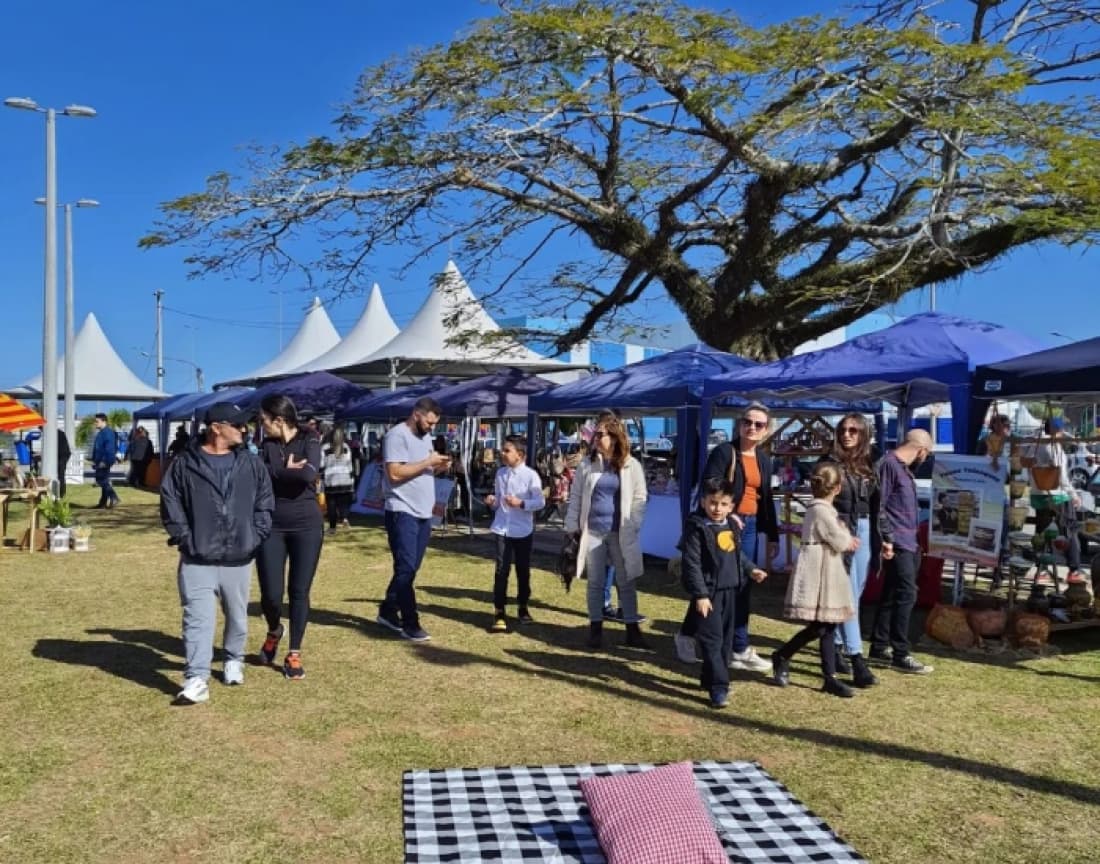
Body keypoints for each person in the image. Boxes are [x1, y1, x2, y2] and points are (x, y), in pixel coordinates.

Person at [160, 402, 274, 705]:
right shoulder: (184, 464)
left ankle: (233, 658)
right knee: (197, 618)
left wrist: (256, 534)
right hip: (197, 557)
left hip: (239, 555)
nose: (244, 429)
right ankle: (197, 678)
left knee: (237, 616)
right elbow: (170, 500)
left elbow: (265, 501)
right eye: (237, 425)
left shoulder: (251, 463)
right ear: (216, 428)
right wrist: (183, 536)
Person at [675, 402, 778, 671]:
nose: (752, 428)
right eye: (747, 422)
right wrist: (727, 512)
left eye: (759, 424)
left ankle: (739, 647)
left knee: (742, 586)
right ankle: (687, 635)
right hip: (724, 524)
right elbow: (711, 483)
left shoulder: (764, 460)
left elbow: (765, 498)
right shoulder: (725, 452)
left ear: (767, 429)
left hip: (751, 525)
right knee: (713, 585)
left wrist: (773, 535)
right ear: (739, 424)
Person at [770, 463, 861, 698]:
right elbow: (838, 539)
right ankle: (783, 655)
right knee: (822, 626)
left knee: (827, 626)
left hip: (825, 567)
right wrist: (847, 539)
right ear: (838, 488)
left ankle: (827, 676)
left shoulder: (820, 510)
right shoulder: (822, 511)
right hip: (821, 568)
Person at [679, 477, 767, 709]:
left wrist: (751, 570)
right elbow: (692, 564)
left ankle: (708, 679)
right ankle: (719, 687)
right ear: (704, 501)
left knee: (725, 643)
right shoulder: (697, 528)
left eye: (723, 504)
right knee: (712, 640)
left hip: (732, 593)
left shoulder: (732, 526)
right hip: (709, 594)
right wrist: (700, 595)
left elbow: (738, 556)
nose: (717, 508)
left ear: (731, 505)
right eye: (712, 503)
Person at [564, 412, 649, 650]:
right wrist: (572, 527)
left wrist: (633, 523)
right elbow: (576, 497)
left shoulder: (631, 465)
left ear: (614, 436)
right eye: (595, 434)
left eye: (600, 434)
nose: (595, 439)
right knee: (596, 583)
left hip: (621, 532)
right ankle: (595, 629)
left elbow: (640, 498)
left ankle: (632, 629)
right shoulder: (586, 465)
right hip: (593, 532)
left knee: (626, 580)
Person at [256, 394, 324, 680]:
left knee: (299, 592)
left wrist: (277, 474)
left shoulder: (311, 439)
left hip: (307, 526)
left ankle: (294, 653)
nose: (262, 426)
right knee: (271, 594)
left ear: (279, 420)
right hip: (272, 526)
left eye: (264, 421)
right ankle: (274, 630)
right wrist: (284, 471)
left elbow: (307, 475)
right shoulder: (266, 445)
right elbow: (259, 475)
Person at [377, 397, 452, 642]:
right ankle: (410, 622)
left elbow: (421, 468)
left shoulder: (425, 438)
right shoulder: (396, 436)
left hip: (423, 511)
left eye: (434, 424)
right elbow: (395, 473)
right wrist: (428, 462)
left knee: (410, 567)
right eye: (429, 422)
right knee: (406, 567)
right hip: (401, 509)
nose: (432, 428)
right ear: (417, 414)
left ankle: (388, 610)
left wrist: (438, 466)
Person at [818, 413, 880, 688]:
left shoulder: (871, 461)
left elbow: (880, 502)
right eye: (843, 429)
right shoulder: (830, 462)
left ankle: (840, 646)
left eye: (853, 430)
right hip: (841, 527)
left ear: (863, 433)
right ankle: (857, 658)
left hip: (865, 527)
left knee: (857, 590)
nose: (847, 434)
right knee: (847, 596)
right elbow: (820, 499)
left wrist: (885, 537)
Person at [869, 428, 935, 674]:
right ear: (921, 450)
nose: (925, 460)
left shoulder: (902, 468)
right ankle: (901, 652)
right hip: (897, 541)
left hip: (909, 540)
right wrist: (887, 538)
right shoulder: (888, 465)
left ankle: (879, 645)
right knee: (907, 593)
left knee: (892, 592)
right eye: (926, 455)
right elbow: (880, 506)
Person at [484, 436, 545, 632]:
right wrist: (492, 501)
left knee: (522, 570)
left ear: (520, 455)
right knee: (501, 570)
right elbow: (498, 503)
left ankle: (523, 607)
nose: (502, 453)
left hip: (522, 530)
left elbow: (540, 502)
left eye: (507, 450)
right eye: (502, 450)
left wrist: (522, 503)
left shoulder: (531, 476)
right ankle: (499, 610)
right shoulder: (501, 473)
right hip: (502, 528)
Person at [1033, 416, 1084, 584]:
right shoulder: (1054, 448)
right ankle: (1074, 570)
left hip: (1038, 496)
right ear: (1057, 431)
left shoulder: (1034, 445)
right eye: (1061, 431)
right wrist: (1074, 495)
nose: (1062, 435)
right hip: (1057, 496)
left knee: (1043, 534)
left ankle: (1042, 571)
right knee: (1070, 531)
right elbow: (1061, 477)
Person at [321, 427, 356, 534]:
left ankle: (332, 528)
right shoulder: (346, 447)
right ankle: (344, 518)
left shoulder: (325, 448)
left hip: (331, 480)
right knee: (344, 502)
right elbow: (350, 464)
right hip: (345, 479)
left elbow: (321, 464)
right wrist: (352, 478)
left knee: (331, 504)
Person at [92, 413, 121, 509]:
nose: (95, 423)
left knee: (101, 480)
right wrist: (94, 460)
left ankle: (114, 497)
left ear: (104, 421)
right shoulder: (101, 432)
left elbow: (110, 448)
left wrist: (104, 461)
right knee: (104, 480)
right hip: (100, 460)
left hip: (105, 460)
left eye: (97, 421)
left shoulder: (108, 433)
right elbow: (97, 447)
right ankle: (103, 503)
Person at [57, 427, 72, 498]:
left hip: (62, 456)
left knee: (61, 476)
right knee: (61, 476)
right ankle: (61, 494)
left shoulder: (58, 434)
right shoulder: (59, 433)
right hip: (62, 455)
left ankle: (62, 494)